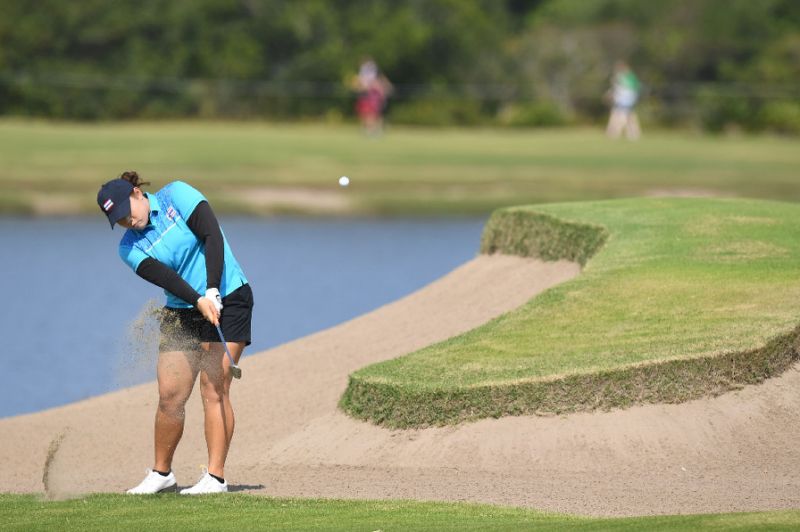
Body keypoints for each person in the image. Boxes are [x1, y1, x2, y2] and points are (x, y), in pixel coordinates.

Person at [96, 171, 254, 495]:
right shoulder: (128, 249)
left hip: (229, 298)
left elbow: (212, 236)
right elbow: (166, 278)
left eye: (126, 212)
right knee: (170, 395)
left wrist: (211, 290)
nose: (126, 221)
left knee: (214, 387)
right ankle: (162, 474)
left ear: (137, 193)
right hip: (183, 309)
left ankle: (215, 477)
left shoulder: (176, 196)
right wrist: (197, 299)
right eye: (118, 220)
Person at [352, 57, 393, 136]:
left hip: (372, 94)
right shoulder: (366, 72)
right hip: (367, 94)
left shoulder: (372, 72)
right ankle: (370, 129)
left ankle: (374, 130)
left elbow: (376, 82)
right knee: (367, 113)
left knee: (373, 113)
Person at [605, 60, 642, 140]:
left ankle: (617, 133)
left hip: (625, 100)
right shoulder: (624, 77)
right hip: (623, 100)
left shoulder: (626, 77)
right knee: (624, 116)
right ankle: (632, 133)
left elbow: (631, 88)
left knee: (622, 117)